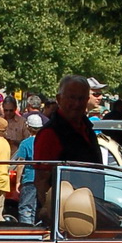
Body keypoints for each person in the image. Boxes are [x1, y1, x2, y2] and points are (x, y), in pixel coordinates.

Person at [32, 74, 103, 206]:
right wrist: (52, 214)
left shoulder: (87, 128)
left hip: (90, 208)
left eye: (81, 98)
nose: (76, 103)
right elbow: (41, 181)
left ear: (87, 100)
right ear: (59, 99)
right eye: (72, 97)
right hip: (64, 215)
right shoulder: (50, 133)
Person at [13, 112, 44, 224]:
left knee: (26, 207)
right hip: (43, 179)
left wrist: (18, 182)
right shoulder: (45, 143)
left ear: (28, 127)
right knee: (40, 208)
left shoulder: (25, 143)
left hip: (29, 179)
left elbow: (21, 164)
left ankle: (28, 232)